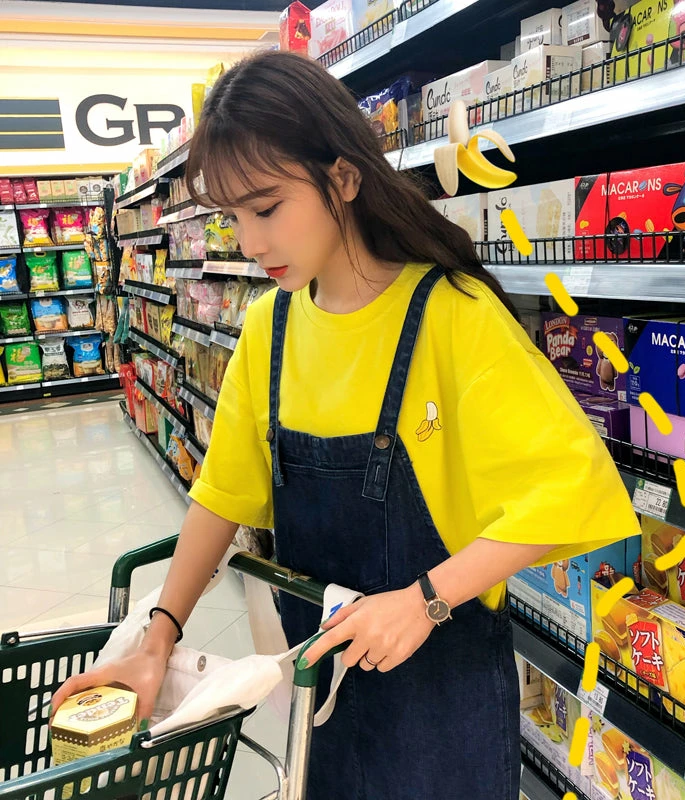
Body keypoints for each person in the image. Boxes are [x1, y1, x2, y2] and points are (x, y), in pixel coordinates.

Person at [52, 51, 639, 799]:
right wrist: (157, 635)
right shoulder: (268, 331)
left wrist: (425, 599)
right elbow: (221, 496)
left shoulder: (453, 316)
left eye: (266, 209)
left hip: (440, 705)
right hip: (320, 703)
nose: (250, 243)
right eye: (232, 217)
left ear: (344, 179)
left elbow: (572, 488)